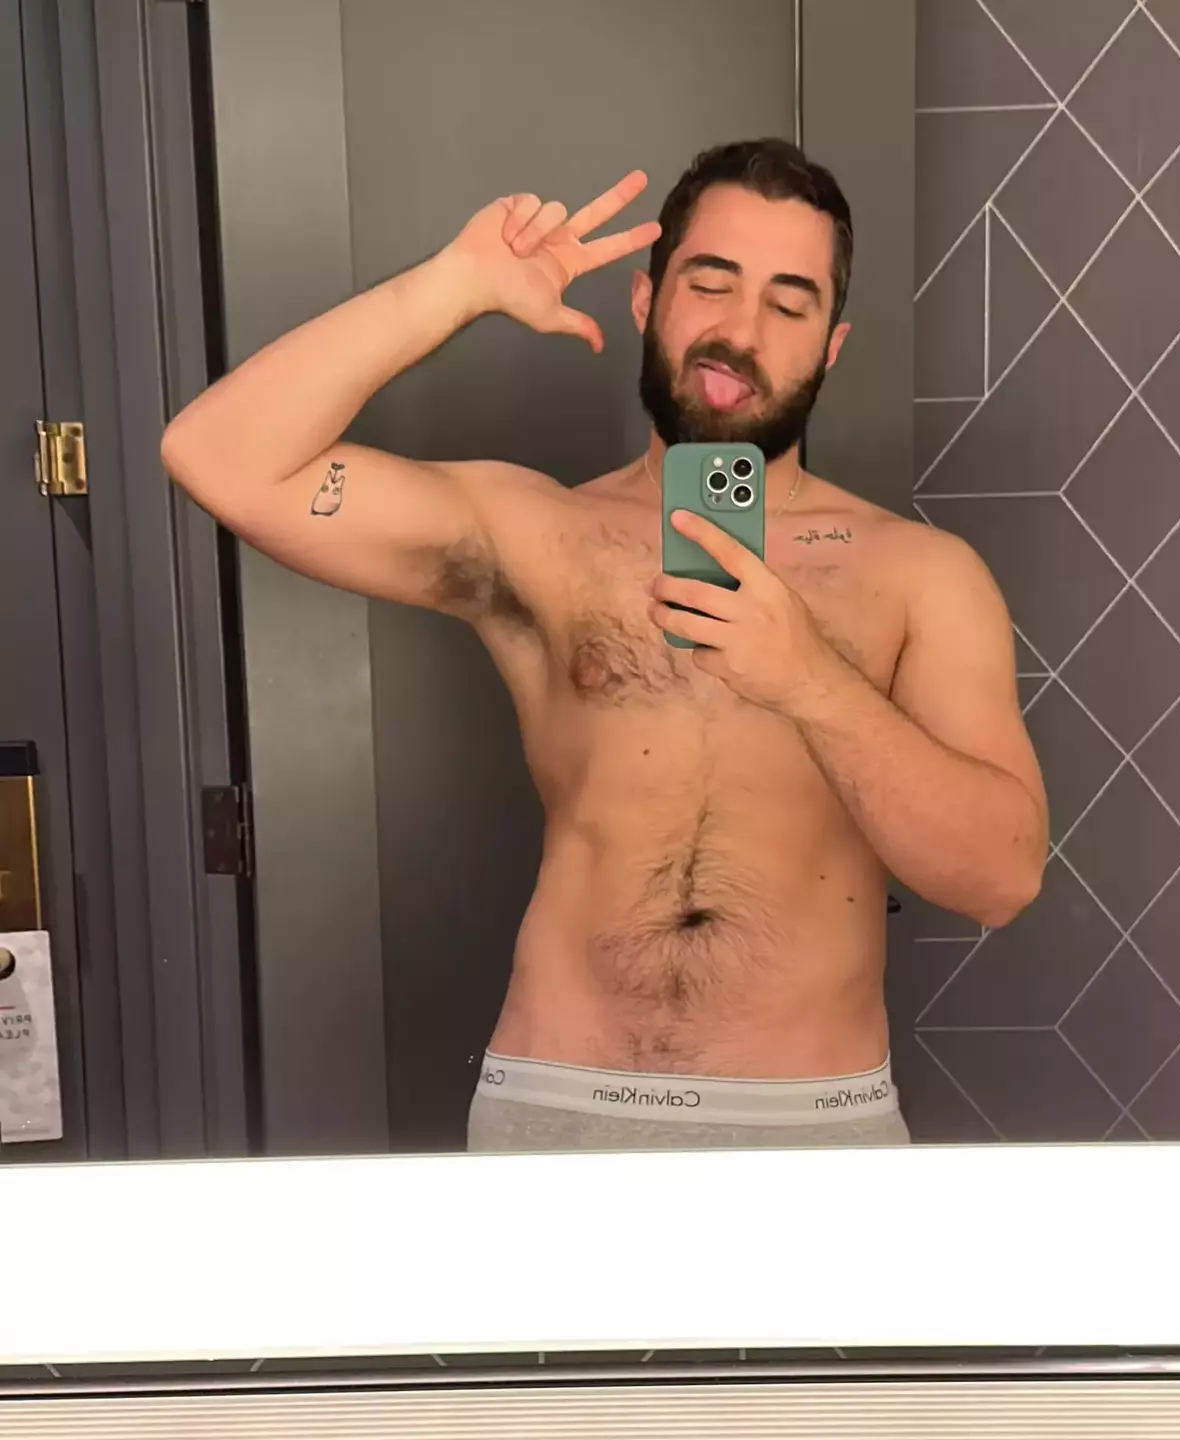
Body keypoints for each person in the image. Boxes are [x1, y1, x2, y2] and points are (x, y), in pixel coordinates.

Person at [161, 139, 1048, 1153]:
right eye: (709, 284)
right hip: (557, 1108)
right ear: (645, 299)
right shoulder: (538, 534)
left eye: (788, 304)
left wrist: (812, 681)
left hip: (811, 1129)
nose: (741, 332)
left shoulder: (920, 574)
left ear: (831, 345)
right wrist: (451, 289)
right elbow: (217, 457)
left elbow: (1001, 877)